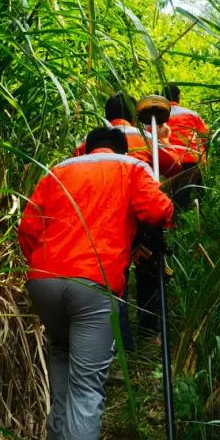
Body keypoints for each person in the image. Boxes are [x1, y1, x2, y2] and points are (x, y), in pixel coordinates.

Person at [18, 126, 173, 440]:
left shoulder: (58, 170)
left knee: (62, 358)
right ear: (122, 146)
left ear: (85, 147)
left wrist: (48, 267)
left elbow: (28, 228)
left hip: (43, 280)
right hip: (93, 285)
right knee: (88, 390)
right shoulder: (131, 166)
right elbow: (158, 212)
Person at [76, 94, 183, 344]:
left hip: (104, 213)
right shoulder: (145, 136)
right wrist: (164, 139)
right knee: (149, 270)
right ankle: (148, 330)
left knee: (114, 272)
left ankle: (119, 339)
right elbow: (174, 165)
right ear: (134, 114)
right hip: (142, 212)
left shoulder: (88, 142)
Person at [161, 83, 209, 210]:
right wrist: (204, 158)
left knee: (178, 197)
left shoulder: (157, 118)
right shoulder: (192, 114)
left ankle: (178, 219)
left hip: (172, 162)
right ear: (178, 97)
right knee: (199, 193)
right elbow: (205, 138)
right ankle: (203, 214)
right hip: (194, 158)